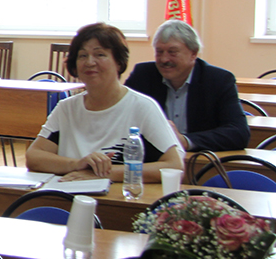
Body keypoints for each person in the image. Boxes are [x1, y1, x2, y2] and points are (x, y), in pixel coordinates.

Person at [26, 22, 183, 182]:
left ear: (119, 62)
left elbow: (174, 165)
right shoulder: (66, 108)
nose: (90, 62)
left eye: (100, 54)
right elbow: (34, 156)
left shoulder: (143, 107)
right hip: (69, 192)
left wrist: (105, 173)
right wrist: (78, 164)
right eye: (83, 56)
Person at [125, 19, 249, 152]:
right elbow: (120, 116)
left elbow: (238, 133)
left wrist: (185, 141)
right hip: (152, 159)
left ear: (193, 53)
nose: (164, 59)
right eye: (159, 52)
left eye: (172, 52)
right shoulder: (143, 75)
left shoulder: (218, 80)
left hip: (199, 159)